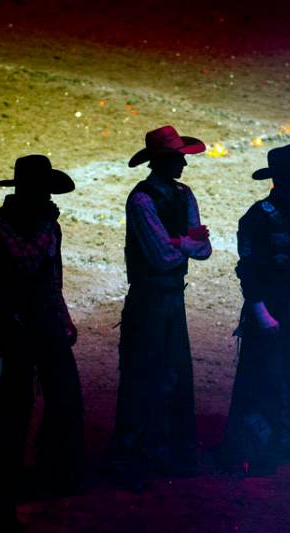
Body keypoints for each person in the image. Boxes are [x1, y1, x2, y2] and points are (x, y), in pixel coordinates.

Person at [0, 155, 84, 532]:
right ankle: (6, 485)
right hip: (17, 326)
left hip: (41, 321)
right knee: (13, 406)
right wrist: (46, 226)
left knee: (65, 398)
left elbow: (52, 277)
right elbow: (28, 261)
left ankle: (50, 474)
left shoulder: (40, 224)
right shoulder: (1, 223)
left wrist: (63, 314)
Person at [111, 125, 212, 490]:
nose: (183, 163)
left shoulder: (167, 196)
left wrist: (178, 241)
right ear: (164, 160)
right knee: (149, 374)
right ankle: (141, 453)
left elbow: (192, 250)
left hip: (165, 296)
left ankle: (154, 451)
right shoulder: (145, 199)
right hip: (153, 297)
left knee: (166, 372)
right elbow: (167, 254)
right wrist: (186, 241)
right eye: (178, 157)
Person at [221, 144, 290, 474]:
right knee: (261, 378)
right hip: (267, 308)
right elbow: (249, 271)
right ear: (278, 181)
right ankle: (258, 446)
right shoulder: (256, 218)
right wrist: (261, 313)